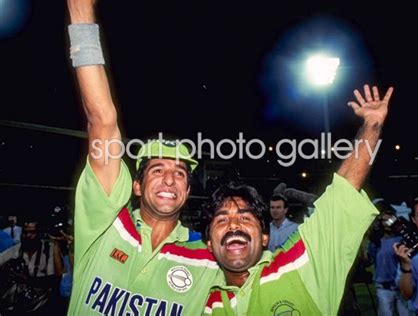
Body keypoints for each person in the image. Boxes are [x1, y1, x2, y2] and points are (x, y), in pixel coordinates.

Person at [65, 0, 220, 314]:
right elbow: (103, 120)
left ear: (188, 191)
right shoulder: (105, 224)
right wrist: (81, 15)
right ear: (136, 186)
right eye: (157, 169)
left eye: (180, 173)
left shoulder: (209, 258)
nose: (169, 179)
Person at [202, 84, 394, 315]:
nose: (234, 225)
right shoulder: (196, 298)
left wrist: (372, 124)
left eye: (245, 217)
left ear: (265, 238)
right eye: (222, 220)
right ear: (209, 244)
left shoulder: (301, 267)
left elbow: (340, 195)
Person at [368, 201, 409, 316]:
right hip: (383, 288)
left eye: (390, 220)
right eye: (384, 220)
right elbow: (370, 260)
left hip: (401, 286)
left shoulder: (401, 240)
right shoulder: (376, 242)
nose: (387, 223)